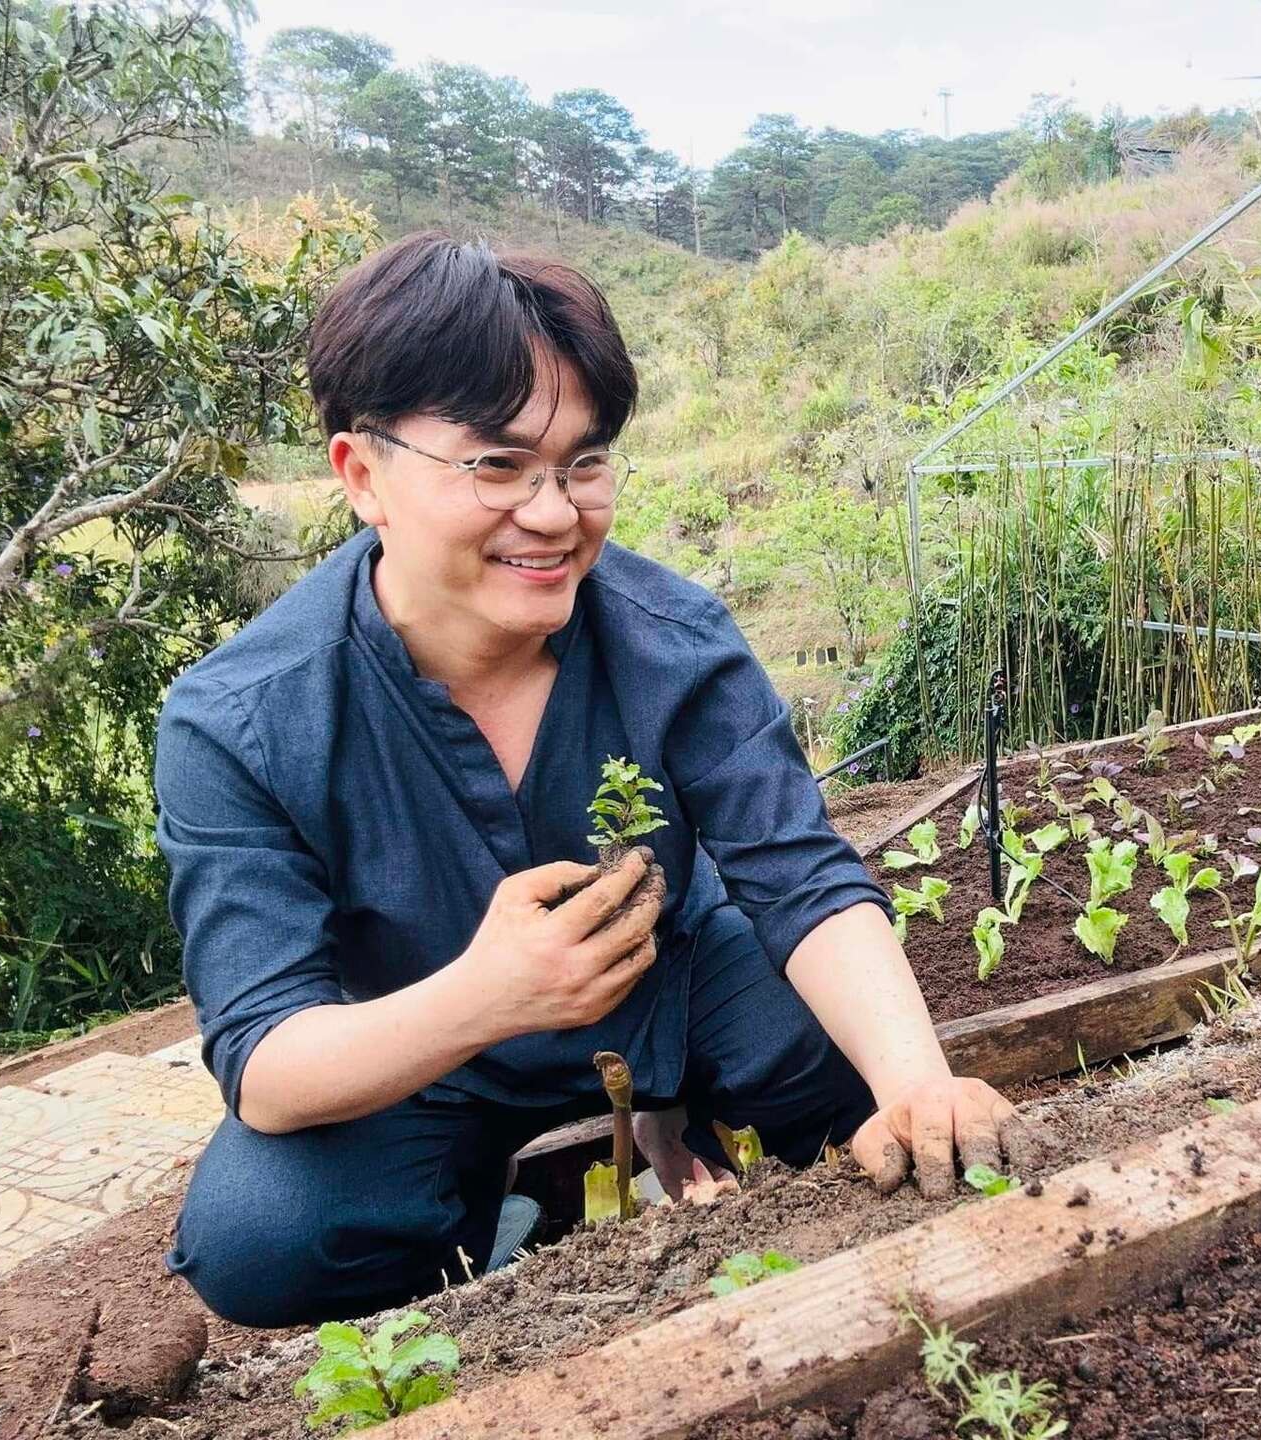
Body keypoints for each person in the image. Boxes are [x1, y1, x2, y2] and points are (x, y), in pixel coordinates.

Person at [152, 230, 1036, 1328]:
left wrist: (914, 1085)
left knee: (853, 1057)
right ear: (362, 475)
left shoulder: (672, 638)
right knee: (268, 1240)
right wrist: (491, 995)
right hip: (421, 1046)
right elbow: (266, 1059)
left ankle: (701, 1129)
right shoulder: (241, 718)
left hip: (671, 980)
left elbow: (799, 879)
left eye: (582, 461)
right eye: (497, 465)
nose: (556, 513)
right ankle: (484, 1232)